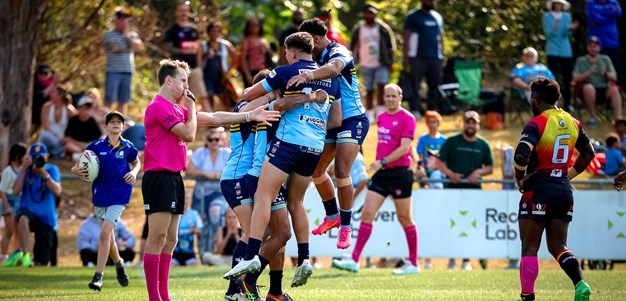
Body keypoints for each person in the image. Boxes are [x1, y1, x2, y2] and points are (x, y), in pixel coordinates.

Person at [140, 58, 279, 301]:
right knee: (158, 238)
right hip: (158, 177)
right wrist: (192, 106)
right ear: (169, 80)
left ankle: (164, 295)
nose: (186, 86)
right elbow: (189, 133)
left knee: (170, 240)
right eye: (183, 81)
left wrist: (250, 116)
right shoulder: (159, 107)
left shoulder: (176, 108)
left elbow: (215, 118)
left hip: (175, 177)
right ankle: (155, 297)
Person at [224, 32, 342, 288]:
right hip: (315, 147)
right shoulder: (331, 78)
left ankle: (251, 257)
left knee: (265, 198)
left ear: (291, 52)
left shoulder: (285, 72)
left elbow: (247, 94)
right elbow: (336, 120)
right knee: (296, 204)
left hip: (287, 146)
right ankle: (305, 259)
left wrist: (275, 94)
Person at [220, 68, 326, 300]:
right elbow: (245, 111)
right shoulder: (253, 107)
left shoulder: (270, 109)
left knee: (280, 233)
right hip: (240, 176)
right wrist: (279, 97)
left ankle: (274, 291)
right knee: (257, 233)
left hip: (263, 175)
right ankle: (237, 290)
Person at [289, 17, 369, 250]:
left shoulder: (339, 50)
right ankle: (332, 215)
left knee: (342, 171)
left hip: (353, 118)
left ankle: (345, 226)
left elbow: (334, 69)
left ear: (314, 39)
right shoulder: (315, 58)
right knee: (316, 170)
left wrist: (308, 76)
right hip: (331, 120)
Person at [513, 76, 594, 301]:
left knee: (530, 247)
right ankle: (580, 283)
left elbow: (521, 154)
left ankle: (527, 297)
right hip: (562, 190)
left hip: (538, 188)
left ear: (536, 100)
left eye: (531, 98)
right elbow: (588, 153)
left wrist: (520, 178)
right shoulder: (573, 122)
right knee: (559, 246)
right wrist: (567, 176)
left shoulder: (537, 122)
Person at [332, 84, 419, 275]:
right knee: (367, 214)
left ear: (400, 97)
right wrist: (381, 163)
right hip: (382, 173)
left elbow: (405, 147)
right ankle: (354, 260)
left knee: (405, 218)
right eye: (386, 96)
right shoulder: (381, 117)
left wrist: (383, 161)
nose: (389, 99)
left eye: (393, 96)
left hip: (400, 173)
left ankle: (413, 263)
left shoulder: (408, 118)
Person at [71, 110, 139, 290]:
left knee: (104, 234)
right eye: (112, 121)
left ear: (123, 126)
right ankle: (119, 265)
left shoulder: (128, 147)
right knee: (109, 239)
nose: (116, 124)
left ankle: (98, 276)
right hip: (100, 196)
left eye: (119, 122)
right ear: (106, 126)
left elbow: (137, 162)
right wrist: (76, 171)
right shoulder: (95, 147)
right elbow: (78, 166)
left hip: (120, 196)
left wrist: (133, 172)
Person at [430, 110, 494, 270]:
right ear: (464, 124)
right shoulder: (452, 142)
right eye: (468, 122)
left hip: (474, 192)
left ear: (478, 125)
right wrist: (451, 174)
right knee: (452, 224)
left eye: (474, 122)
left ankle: (466, 260)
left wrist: (478, 172)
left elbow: (490, 168)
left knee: (470, 226)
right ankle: (452, 259)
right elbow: (438, 163)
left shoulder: (483, 145)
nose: (470, 125)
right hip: (452, 190)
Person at [3, 143, 62, 267]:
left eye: (40, 157)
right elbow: (15, 191)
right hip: (29, 213)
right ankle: (25, 255)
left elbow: (57, 191)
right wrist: (24, 168)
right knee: (23, 219)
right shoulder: (25, 171)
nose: (37, 160)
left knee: (41, 263)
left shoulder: (51, 169)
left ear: (46, 157)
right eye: (34, 157)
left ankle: (34, 262)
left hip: (46, 219)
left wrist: (43, 174)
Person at [186, 129, 231, 259]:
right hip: (201, 195)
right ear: (207, 141)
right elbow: (190, 170)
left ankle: (216, 253)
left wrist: (220, 175)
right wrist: (206, 174)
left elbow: (235, 169)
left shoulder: (226, 153)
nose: (214, 142)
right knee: (201, 226)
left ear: (220, 141)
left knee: (215, 213)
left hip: (220, 193)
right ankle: (203, 257)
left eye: (217, 139)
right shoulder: (201, 153)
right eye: (211, 140)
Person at [350, 4, 396, 122]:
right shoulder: (359, 28)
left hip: (381, 62)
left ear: (375, 14)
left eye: (372, 13)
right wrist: (351, 61)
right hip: (365, 63)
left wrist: (391, 62)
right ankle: (369, 115)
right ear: (364, 14)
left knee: (382, 87)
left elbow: (391, 47)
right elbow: (353, 46)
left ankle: (380, 114)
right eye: (368, 13)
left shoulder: (382, 28)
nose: (370, 15)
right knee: (369, 90)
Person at [162, 2, 209, 111]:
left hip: (194, 68)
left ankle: (212, 125)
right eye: (181, 10)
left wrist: (199, 64)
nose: (184, 13)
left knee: (202, 96)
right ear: (177, 12)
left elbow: (199, 47)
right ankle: (178, 122)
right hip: (178, 70)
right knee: (178, 97)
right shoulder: (172, 30)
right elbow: (166, 47)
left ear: (189, 12)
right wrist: (182, 51)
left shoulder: (194, 29)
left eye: (186, 10)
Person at [402, 0, 444, 113]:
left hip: (435, 57)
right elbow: (406, 37)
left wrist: (442, 56)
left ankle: (432, 110)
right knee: (415, 85)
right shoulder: (413, 16)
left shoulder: (438, 17)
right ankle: (415, 109)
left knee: (434, 85)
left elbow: (440, 37)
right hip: (417, 57)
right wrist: (405, 56)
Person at [572, 36, 622, 125]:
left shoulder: (605, 59)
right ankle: (593, 117)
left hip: (604, 89)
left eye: (595, 46)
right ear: (587, 47)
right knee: (589, 87)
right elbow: (575, 78)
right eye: (590, 46)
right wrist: (588, 73)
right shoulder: (581, 60)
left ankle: (618, 119)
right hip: (587, 91)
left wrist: (606, 73)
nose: (593, 48)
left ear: (599, 48)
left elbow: (614, 77)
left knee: (614, 90)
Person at [103, 7, 143, 115]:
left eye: (126, 19)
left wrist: (126, 36)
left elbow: (139, 47)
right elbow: (114, 48)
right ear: (116, 20)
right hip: (113, 71)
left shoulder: (132, 35)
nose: (124, 22)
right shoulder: (109, 34)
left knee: (123, 101)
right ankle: (106, 122)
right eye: (121, 19)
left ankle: (120, 124)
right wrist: (129, 47)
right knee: (109, 100)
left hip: (127, 71)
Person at [543, 0, 578, 110]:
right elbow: (548, 34)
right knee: (553, 78)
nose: (558, 5)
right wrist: (555, 26)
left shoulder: (567, 16)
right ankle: (553, 104)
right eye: (556, 3)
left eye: (560, 3)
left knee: (568, 79)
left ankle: (568, 104)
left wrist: (571, 29)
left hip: (565, 51)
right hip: (552, 50)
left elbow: (565, 34)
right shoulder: (546, 16)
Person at [0, 143, 27, 264]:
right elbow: (3, 191)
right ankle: (3, 255)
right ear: (17, 156)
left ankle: (17, 254)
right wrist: (7, 207)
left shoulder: (23, 170)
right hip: (10, 202)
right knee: (9, 231)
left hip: (20, 202)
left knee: (18, 232)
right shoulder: (8, 171)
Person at [202, 21, 236, 112]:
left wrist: (228, 70)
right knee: (209, 98)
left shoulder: (225, 45)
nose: (214, 33)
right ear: (208, 32)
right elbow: (198, 61)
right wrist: (205, 55)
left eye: (217, 31)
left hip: (221, 76)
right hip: (207, 76)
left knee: (225, 98)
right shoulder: (203, 46)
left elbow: (235, 56)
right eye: (212, 31)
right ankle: (211, 121)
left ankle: (230, 121)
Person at [38, 85, 76, 159]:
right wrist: (56, 137)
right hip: (48, 136)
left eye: (53, 93)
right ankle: (57, 151)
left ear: (60, 95)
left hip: (62, 139)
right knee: (44, 136)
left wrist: (66, 138)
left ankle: (56, 152)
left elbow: (76, 125)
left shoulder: (69, 110)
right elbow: (45, 126)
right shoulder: (46, 107)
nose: (51, 95)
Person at [586, 0, 622, 75]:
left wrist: (601, 14)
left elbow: (618, 12)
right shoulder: (590, 3)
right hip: (595, 43)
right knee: (595, 68)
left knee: (614, 68)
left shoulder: (613, 2)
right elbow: (596, 18)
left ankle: (614, 86)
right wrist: (610, 14)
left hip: (612, 41)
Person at [416, 110, 446, 190]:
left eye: (434, 122)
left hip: (441, 171)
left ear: (438, 123)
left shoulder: (444, 140)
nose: (432, 125)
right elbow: (421, 158)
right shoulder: (423, 139)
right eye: (430, 122)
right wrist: (424, 173)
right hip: (426, 170)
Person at [172, 192, 203, 267]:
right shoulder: (173, 214)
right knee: (169, 267)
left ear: (190, 201)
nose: (184, 201)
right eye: (182, 198)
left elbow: (200, 231)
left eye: (187, 198)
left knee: (194, 267)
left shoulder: (194, 214)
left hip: (189, 253)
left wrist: (194, 230)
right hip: (174, 252)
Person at [241, 17, 273, 87]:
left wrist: (267, 49)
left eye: (255, 25)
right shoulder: (246, 40)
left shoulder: (263, 39)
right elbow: (243, 58)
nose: (253, 27)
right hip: (252, 71)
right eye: (251, 25)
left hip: (263, 70)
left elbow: (271, 55)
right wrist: (247, 75)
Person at [32, 63, 60, 134]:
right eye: (41, 73)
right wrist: (53, 84)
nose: (43, 75)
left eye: (46, 73)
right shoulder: (34, 82)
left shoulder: (52, 83)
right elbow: (42, 94)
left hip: (49, 116)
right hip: (35, 114)